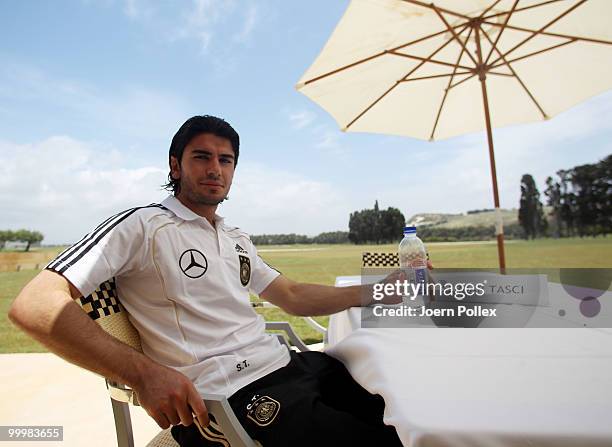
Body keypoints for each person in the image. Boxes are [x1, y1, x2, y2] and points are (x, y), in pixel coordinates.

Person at [9, 115, 405, 446]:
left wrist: (379, 290)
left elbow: (293, 295)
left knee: (401, 407)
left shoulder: (235, 238)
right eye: (201, 157)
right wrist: (144, 374)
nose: (215, 169)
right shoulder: (143, 225)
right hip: (228, 396)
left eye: (226, 160)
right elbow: (35, 304)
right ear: (175, 165)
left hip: (291, 366)